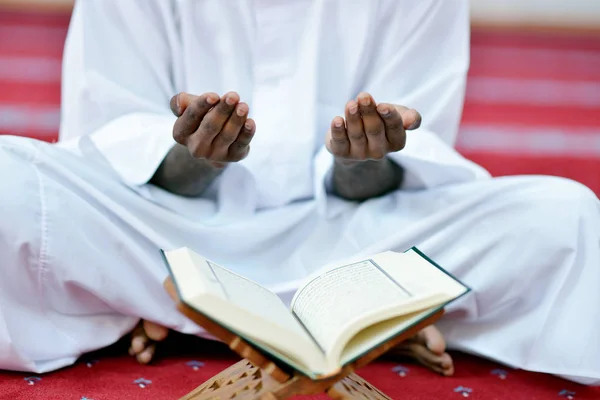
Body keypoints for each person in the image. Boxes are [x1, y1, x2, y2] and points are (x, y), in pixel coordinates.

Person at [0, 0, 598, 385]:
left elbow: (409, 164)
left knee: (565, 219)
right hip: (172, 233)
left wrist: (360, 161)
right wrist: (194, 156)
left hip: (362, 239)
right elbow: (112, 146)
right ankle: (389, 316)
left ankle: (170, 312)